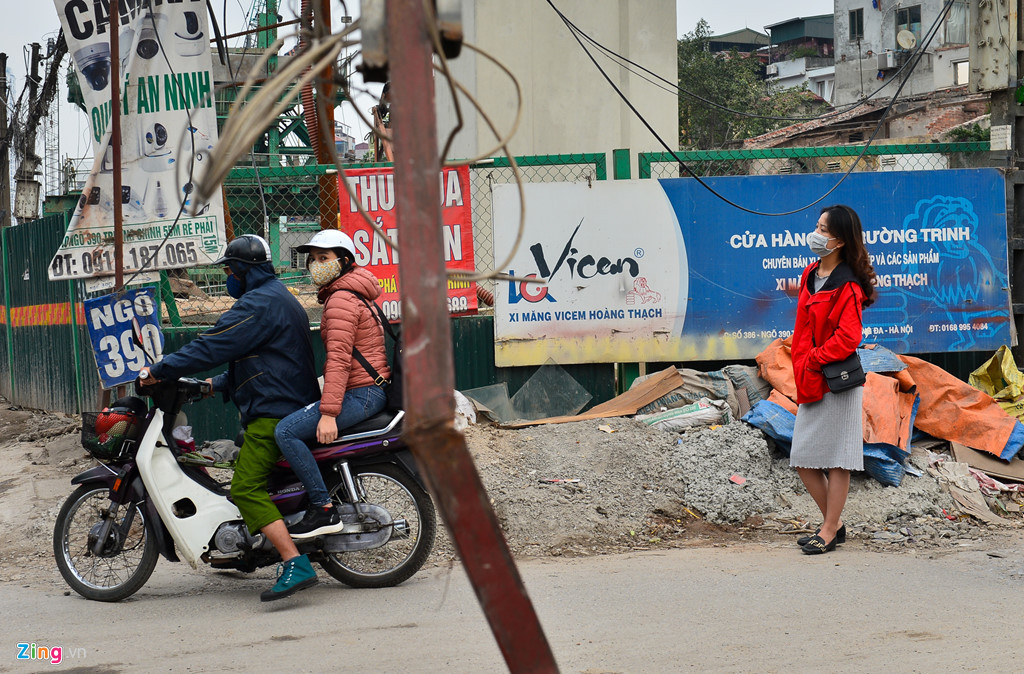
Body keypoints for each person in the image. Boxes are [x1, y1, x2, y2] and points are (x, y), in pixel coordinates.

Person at [140, 234, 323, 601]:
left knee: (244, 488)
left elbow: (213, 344)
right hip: (285, 399)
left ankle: (295, 562)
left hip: (274, 412)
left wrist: (161, 369)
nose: (227, 277)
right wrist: (214, 384)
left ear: (243, 270)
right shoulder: (276, 296)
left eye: (228, 270)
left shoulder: (258, 303)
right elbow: (267, 361)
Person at [273, 229, 390, 539]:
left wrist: (328, 413)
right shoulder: (354, 292)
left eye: (324, 258)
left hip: (362, 393)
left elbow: (339, 360)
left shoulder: (341, 299)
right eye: (313, 259)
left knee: (285, 431)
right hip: (370, 389)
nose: (316, 265)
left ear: (345, 261)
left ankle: (323, 508)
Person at [790, 205, 876, 555]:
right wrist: (804, 363)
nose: (816, 234)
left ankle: (828, 529)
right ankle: (834, 524)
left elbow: (849, 337)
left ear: (839, 241)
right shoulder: (810, 273)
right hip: (811, 377)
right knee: (803, 457)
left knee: (839, 458)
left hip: (836, 381)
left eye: (824, 230)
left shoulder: (848, 285)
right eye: (817, 226)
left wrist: (814, 358)